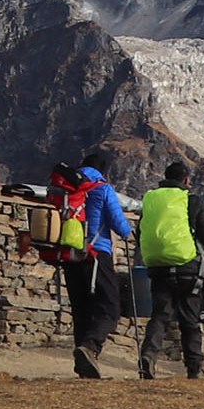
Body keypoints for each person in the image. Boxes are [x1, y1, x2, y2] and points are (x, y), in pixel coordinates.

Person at [132, 161, 204, 379]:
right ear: (186, 180)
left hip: (158, 267)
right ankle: (194, 369)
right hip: (187, 267)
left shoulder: (151, 199)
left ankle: (148, 356)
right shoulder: (191, 200)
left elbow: (140, 233)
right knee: (190, 318)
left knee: (160, 315)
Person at [68, 158, 133, 377]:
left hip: (70, 254)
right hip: (96, 254)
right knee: (110, 306)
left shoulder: (68, 188)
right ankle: (90, 347)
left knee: (82, 308)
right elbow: (120, 225)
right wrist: (129, 230)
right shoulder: (102, 189)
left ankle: (84, 364)